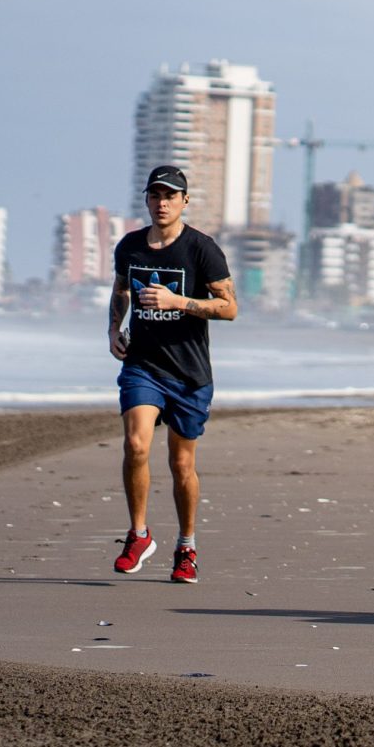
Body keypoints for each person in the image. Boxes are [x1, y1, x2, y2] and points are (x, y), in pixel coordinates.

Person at [107, 165, 236, 583]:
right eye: (155, 195)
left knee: (181, 464)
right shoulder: (130, 246)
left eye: (170, 196)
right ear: (147, 200)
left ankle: (186, 546)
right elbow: (121, 289)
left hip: (189, 372)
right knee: (136, 444)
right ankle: (138, 535)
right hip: (142, 365)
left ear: (184, 201)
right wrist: (114, 329)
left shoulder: (202, 249)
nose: (162, 203)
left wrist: (178, 302)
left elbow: (229, 307)